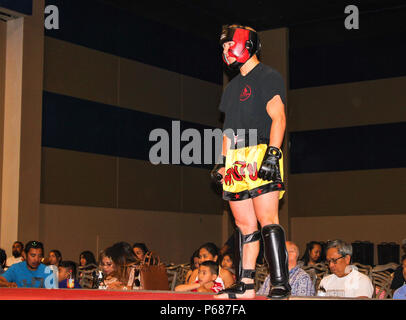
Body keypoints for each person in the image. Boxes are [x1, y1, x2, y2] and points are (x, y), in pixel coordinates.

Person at [212, 24, 289, 299]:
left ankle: (280, 282)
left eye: (227, 44)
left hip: (260, 151)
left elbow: (278, 116)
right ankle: (245, 285)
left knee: (268, 218)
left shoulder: (268, 76)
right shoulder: (231, 88)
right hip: (236, 158)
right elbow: (228, 130)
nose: (224, 51)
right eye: (222, 46)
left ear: (246, 44)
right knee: (244, 225)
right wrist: (222, 162)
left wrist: (273, 153)